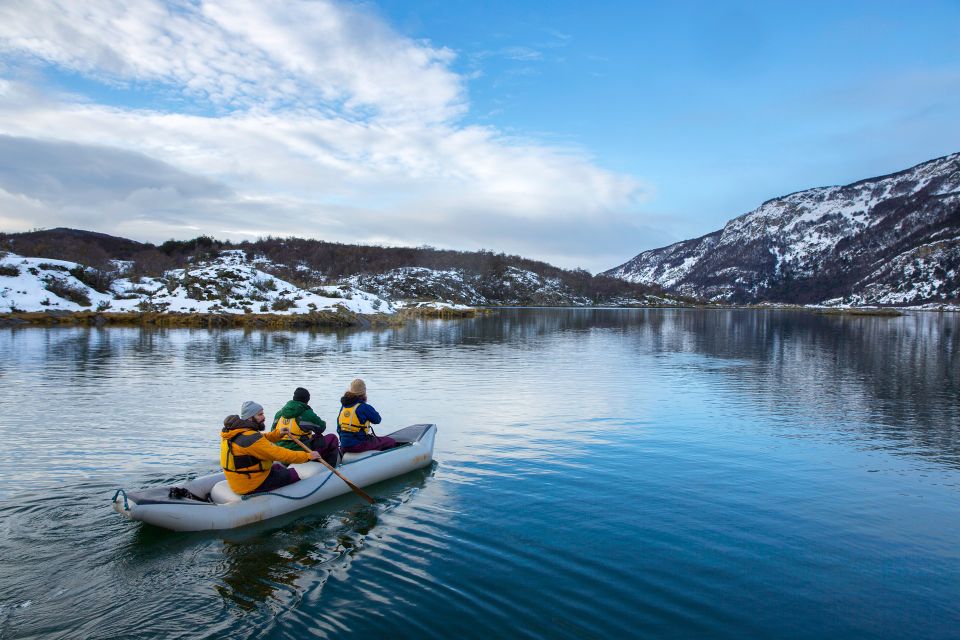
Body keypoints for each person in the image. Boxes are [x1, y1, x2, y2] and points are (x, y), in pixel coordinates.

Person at [221, 401, 320, 495]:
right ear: (250, 418)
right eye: (260, 415)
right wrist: (308, 456)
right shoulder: (251, 439)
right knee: (292, 474)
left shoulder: (235, 433)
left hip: (241, 480)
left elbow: (262, 438)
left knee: (277, 467)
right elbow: (281, 454)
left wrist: (278, 434)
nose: (264, 417)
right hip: (251, 485)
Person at [272, 387, 340, 467]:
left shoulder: (279, 413)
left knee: (314, 436)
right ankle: (330, 469)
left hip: (281, 453)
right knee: (332, 438)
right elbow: (321, 428)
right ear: (307, 401)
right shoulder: (306, 414)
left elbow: (273, 433)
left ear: (294, 398)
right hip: (298, 452)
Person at [338, 378, 397, 453]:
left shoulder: (343, 407)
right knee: (390, 441)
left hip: (344, 446)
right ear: (364, 392)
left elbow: (338, 428)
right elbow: (377, 420)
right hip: (358, 445)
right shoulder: (364, 407)